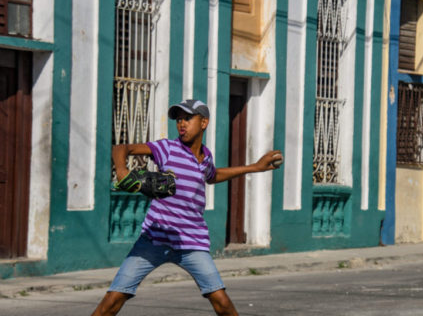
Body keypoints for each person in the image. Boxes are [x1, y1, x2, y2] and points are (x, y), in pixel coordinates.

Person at [91, 99, 282, 316]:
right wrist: (122, 170)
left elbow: (212, 175)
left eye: (188, 118)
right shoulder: (167, 149)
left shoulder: (206, 157)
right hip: (154, 238)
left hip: (191, 241)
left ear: (204, 122)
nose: (182, 123)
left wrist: (255, 167)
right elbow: (121, 148)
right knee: (114, 298)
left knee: (221, 301)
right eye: (178, 119)